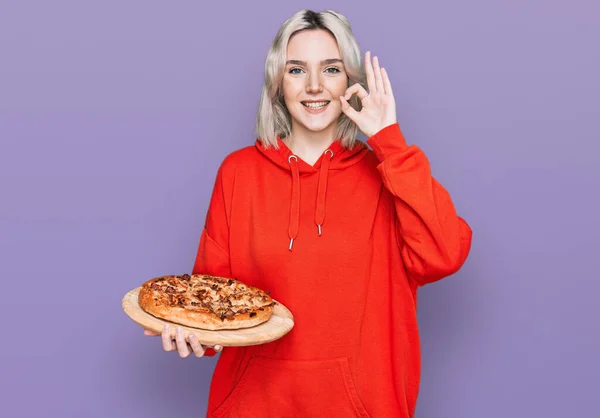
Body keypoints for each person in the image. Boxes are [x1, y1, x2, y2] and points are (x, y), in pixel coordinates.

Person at [145, 8, 472, 418]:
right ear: (278, 83)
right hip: (251, 407)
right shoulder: (238, 172)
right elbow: (216, 303)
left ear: (351, 81)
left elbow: (444, 254)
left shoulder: (390, 173)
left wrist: (390, 143)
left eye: (330, 69)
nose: (315, 86)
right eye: (297, 70)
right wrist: (192, 333)